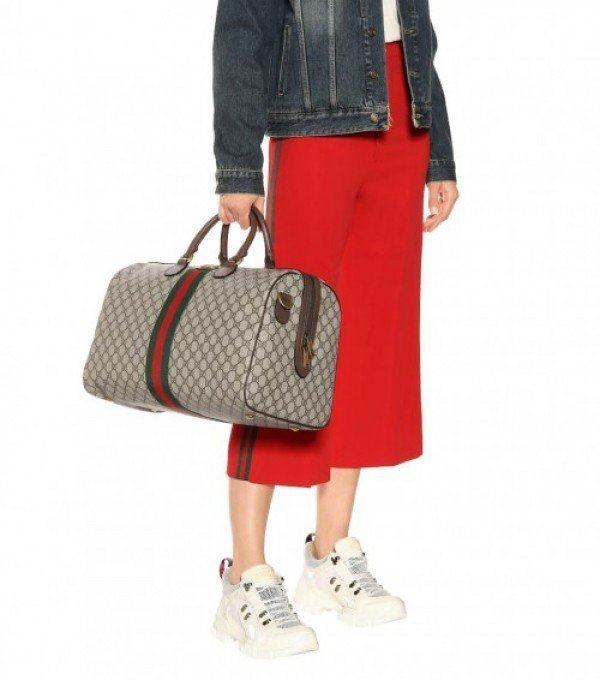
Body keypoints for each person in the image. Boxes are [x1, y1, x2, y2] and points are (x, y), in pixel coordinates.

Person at [211, 0, 459, 658]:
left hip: (402, 122)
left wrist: (437, 152)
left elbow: (417, 29)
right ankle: (244, 575)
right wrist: (237, 164)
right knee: (287, 353)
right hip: (315, 122)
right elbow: (242, 31)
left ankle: (328, 554)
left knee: (366, 341)